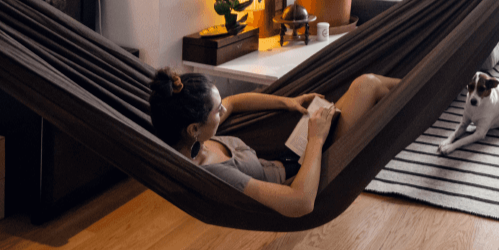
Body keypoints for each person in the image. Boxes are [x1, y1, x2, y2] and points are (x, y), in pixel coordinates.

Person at [149, 68, 400, 217]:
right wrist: (316, 138)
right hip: (310, 176)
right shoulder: (215, 174)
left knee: (368, 84)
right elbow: (300, 202)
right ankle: (423, 93)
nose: (223, 109)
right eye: (217, 110)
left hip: (296, 155)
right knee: (367, 86)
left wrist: (288, 101)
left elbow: (235, 101)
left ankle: (418, 92)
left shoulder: (196, 136)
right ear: (194, 128)